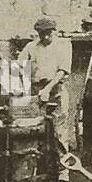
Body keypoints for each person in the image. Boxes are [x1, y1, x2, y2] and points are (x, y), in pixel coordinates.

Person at [17, 17, 72, 155]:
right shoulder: (31, 46)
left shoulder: (64, 45)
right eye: (42, 34)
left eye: (48, 33)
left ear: (55, 32)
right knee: (36, 129)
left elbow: (63, 70)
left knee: (59, 130)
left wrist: (47, 89)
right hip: (36, 91)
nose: (45, 37)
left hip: (56, 90)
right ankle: (40, 169)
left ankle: (62, 170)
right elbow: (19, 66)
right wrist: (24, 88)